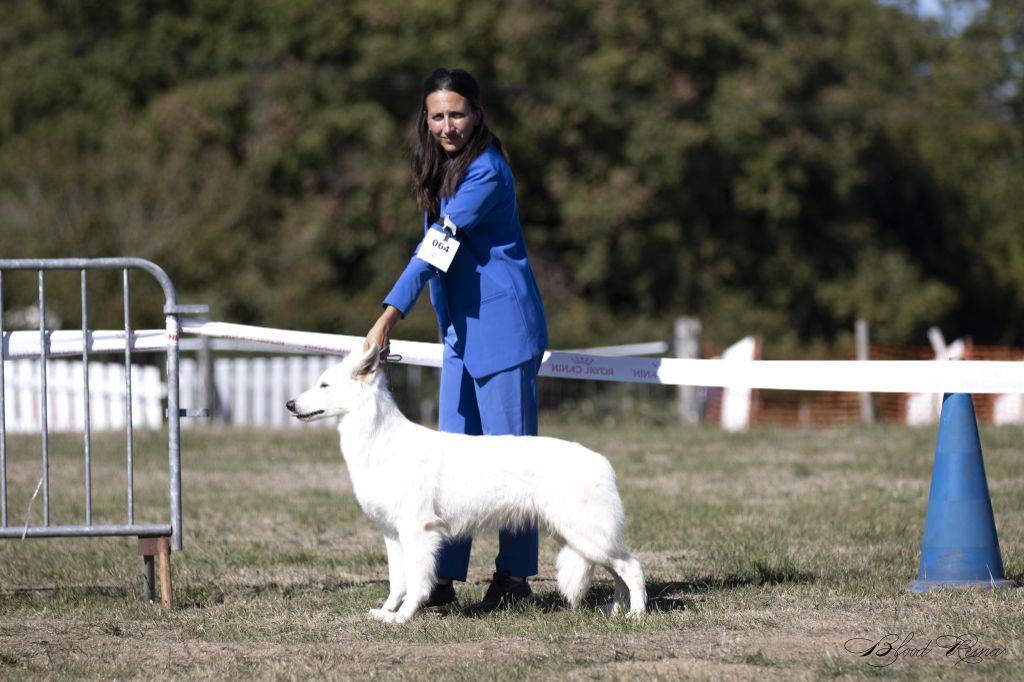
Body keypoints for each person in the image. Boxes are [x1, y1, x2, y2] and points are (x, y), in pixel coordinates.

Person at [364, 67, 549, 613]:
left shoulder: (486, 171)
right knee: (452, 465)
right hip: (460, 336)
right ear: (426, 119)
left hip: (504, 331)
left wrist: (387, 317)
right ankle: (440, 580)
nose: (448, 125)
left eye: (457, 113)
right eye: (437, 115)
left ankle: (514, 580)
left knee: (513, 465)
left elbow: (437, 247)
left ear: (478, 114)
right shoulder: (440, 167)